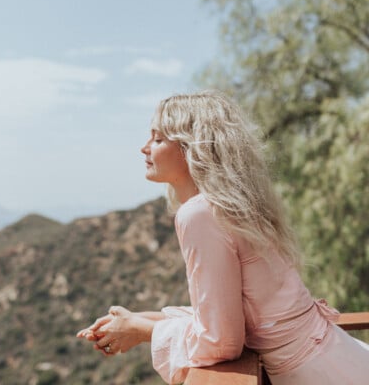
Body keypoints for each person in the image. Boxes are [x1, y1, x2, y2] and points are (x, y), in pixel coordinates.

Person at [77, 91, 369, 384]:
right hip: (337, 356)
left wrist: (141, 331)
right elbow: (234, 313)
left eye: (157, 139)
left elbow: (222, 340)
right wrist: (140, 320)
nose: (143, 148)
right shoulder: (233, 206)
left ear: (191, 149)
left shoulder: (199, 214)